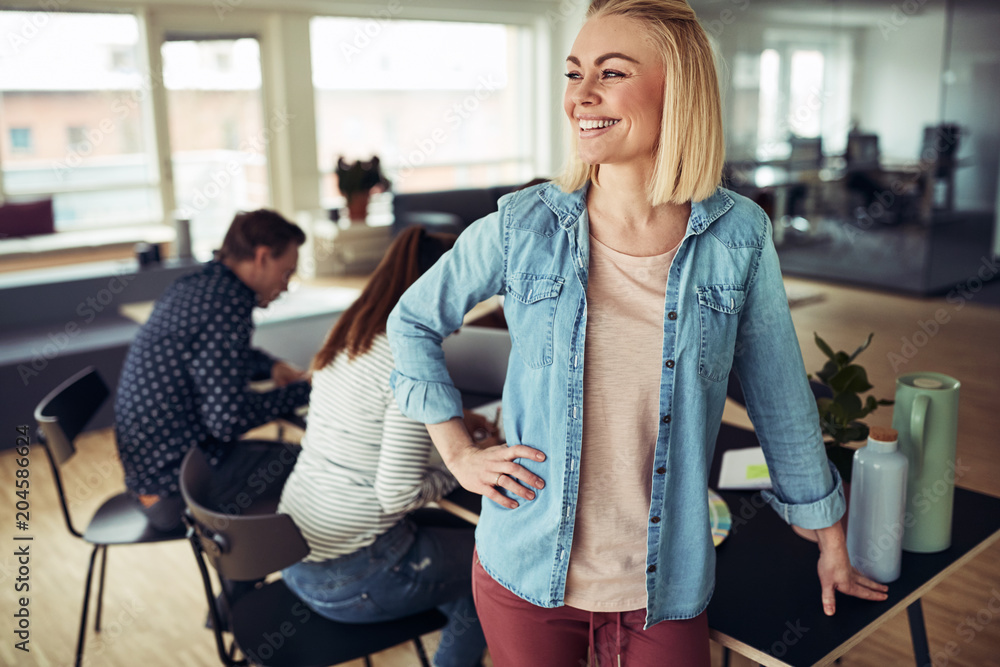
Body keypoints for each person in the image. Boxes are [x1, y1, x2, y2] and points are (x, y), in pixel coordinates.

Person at [386, 2, 890, 665]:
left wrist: (827, 533)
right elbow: (411, 320)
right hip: (526, 575)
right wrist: (455, 451)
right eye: (574, 74)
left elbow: (778, 392)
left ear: (677, 90)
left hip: (666, 583)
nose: (581, 97)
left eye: (611, 73)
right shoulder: (522, 226)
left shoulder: (737, 235)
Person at [278, 226, 488, 667]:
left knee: (455, 555)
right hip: (352, 572)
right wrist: (464, 461)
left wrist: (453, 424)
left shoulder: (349, 338)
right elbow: (397, 494)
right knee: (490, 574)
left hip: (295, 555)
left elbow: (373, 426)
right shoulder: (409, 363)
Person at [114, 208, 310, 532]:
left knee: (285, 458)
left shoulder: (198, 285)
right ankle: (267, 575)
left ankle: (247, 576)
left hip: (150, 479)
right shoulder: (227, 305)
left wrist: (271, 366)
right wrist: (306, 390)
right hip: (175, 492)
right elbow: (228, 421)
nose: (286, 286)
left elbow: (213, 357)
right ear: (261, 257)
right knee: (317, 467)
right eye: (286, 273)